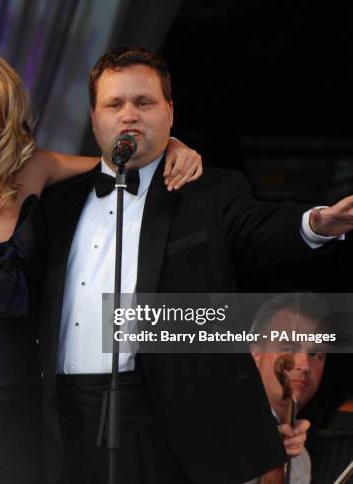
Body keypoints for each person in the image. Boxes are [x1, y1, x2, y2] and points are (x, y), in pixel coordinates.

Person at [0, 46, 202, 483]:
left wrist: (175, 145)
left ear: (3, 117)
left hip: (20, 398)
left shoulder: (35, 171)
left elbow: (124, 162)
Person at [38, 46, 353, 483]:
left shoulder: (206, 191)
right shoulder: (58, 202)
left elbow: (257, 226)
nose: (129, 114)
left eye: (143, 102)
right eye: (115, 103)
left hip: (163, 411)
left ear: (169, 112)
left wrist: (317, 222)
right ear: (94, 117)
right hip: (65, 411)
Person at [248, 293, 329, 484]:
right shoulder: (216, 430)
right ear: (255, 354)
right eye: (289, 347)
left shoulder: (301, 460)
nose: (305, 365)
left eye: (315, 353)